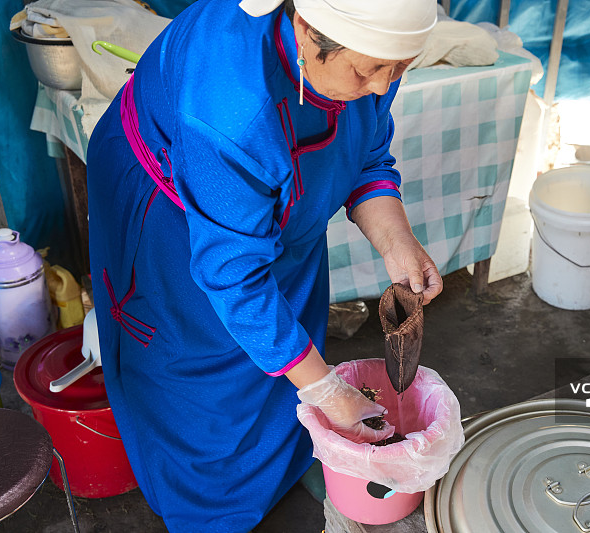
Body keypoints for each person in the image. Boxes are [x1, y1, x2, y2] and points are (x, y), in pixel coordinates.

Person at [85, 0, 441, 530]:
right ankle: (211, 510)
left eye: (399, 69)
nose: (381, 85)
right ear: (305, 29)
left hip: (276, 207)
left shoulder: (368, 57)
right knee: (203, 378)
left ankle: (283, 465)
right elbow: (233, 274)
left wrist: (397, 240)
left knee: (289, 340)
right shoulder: (229, 106)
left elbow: (365, 148)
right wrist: (324, 390)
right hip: (174, 213)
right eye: (369, 70)